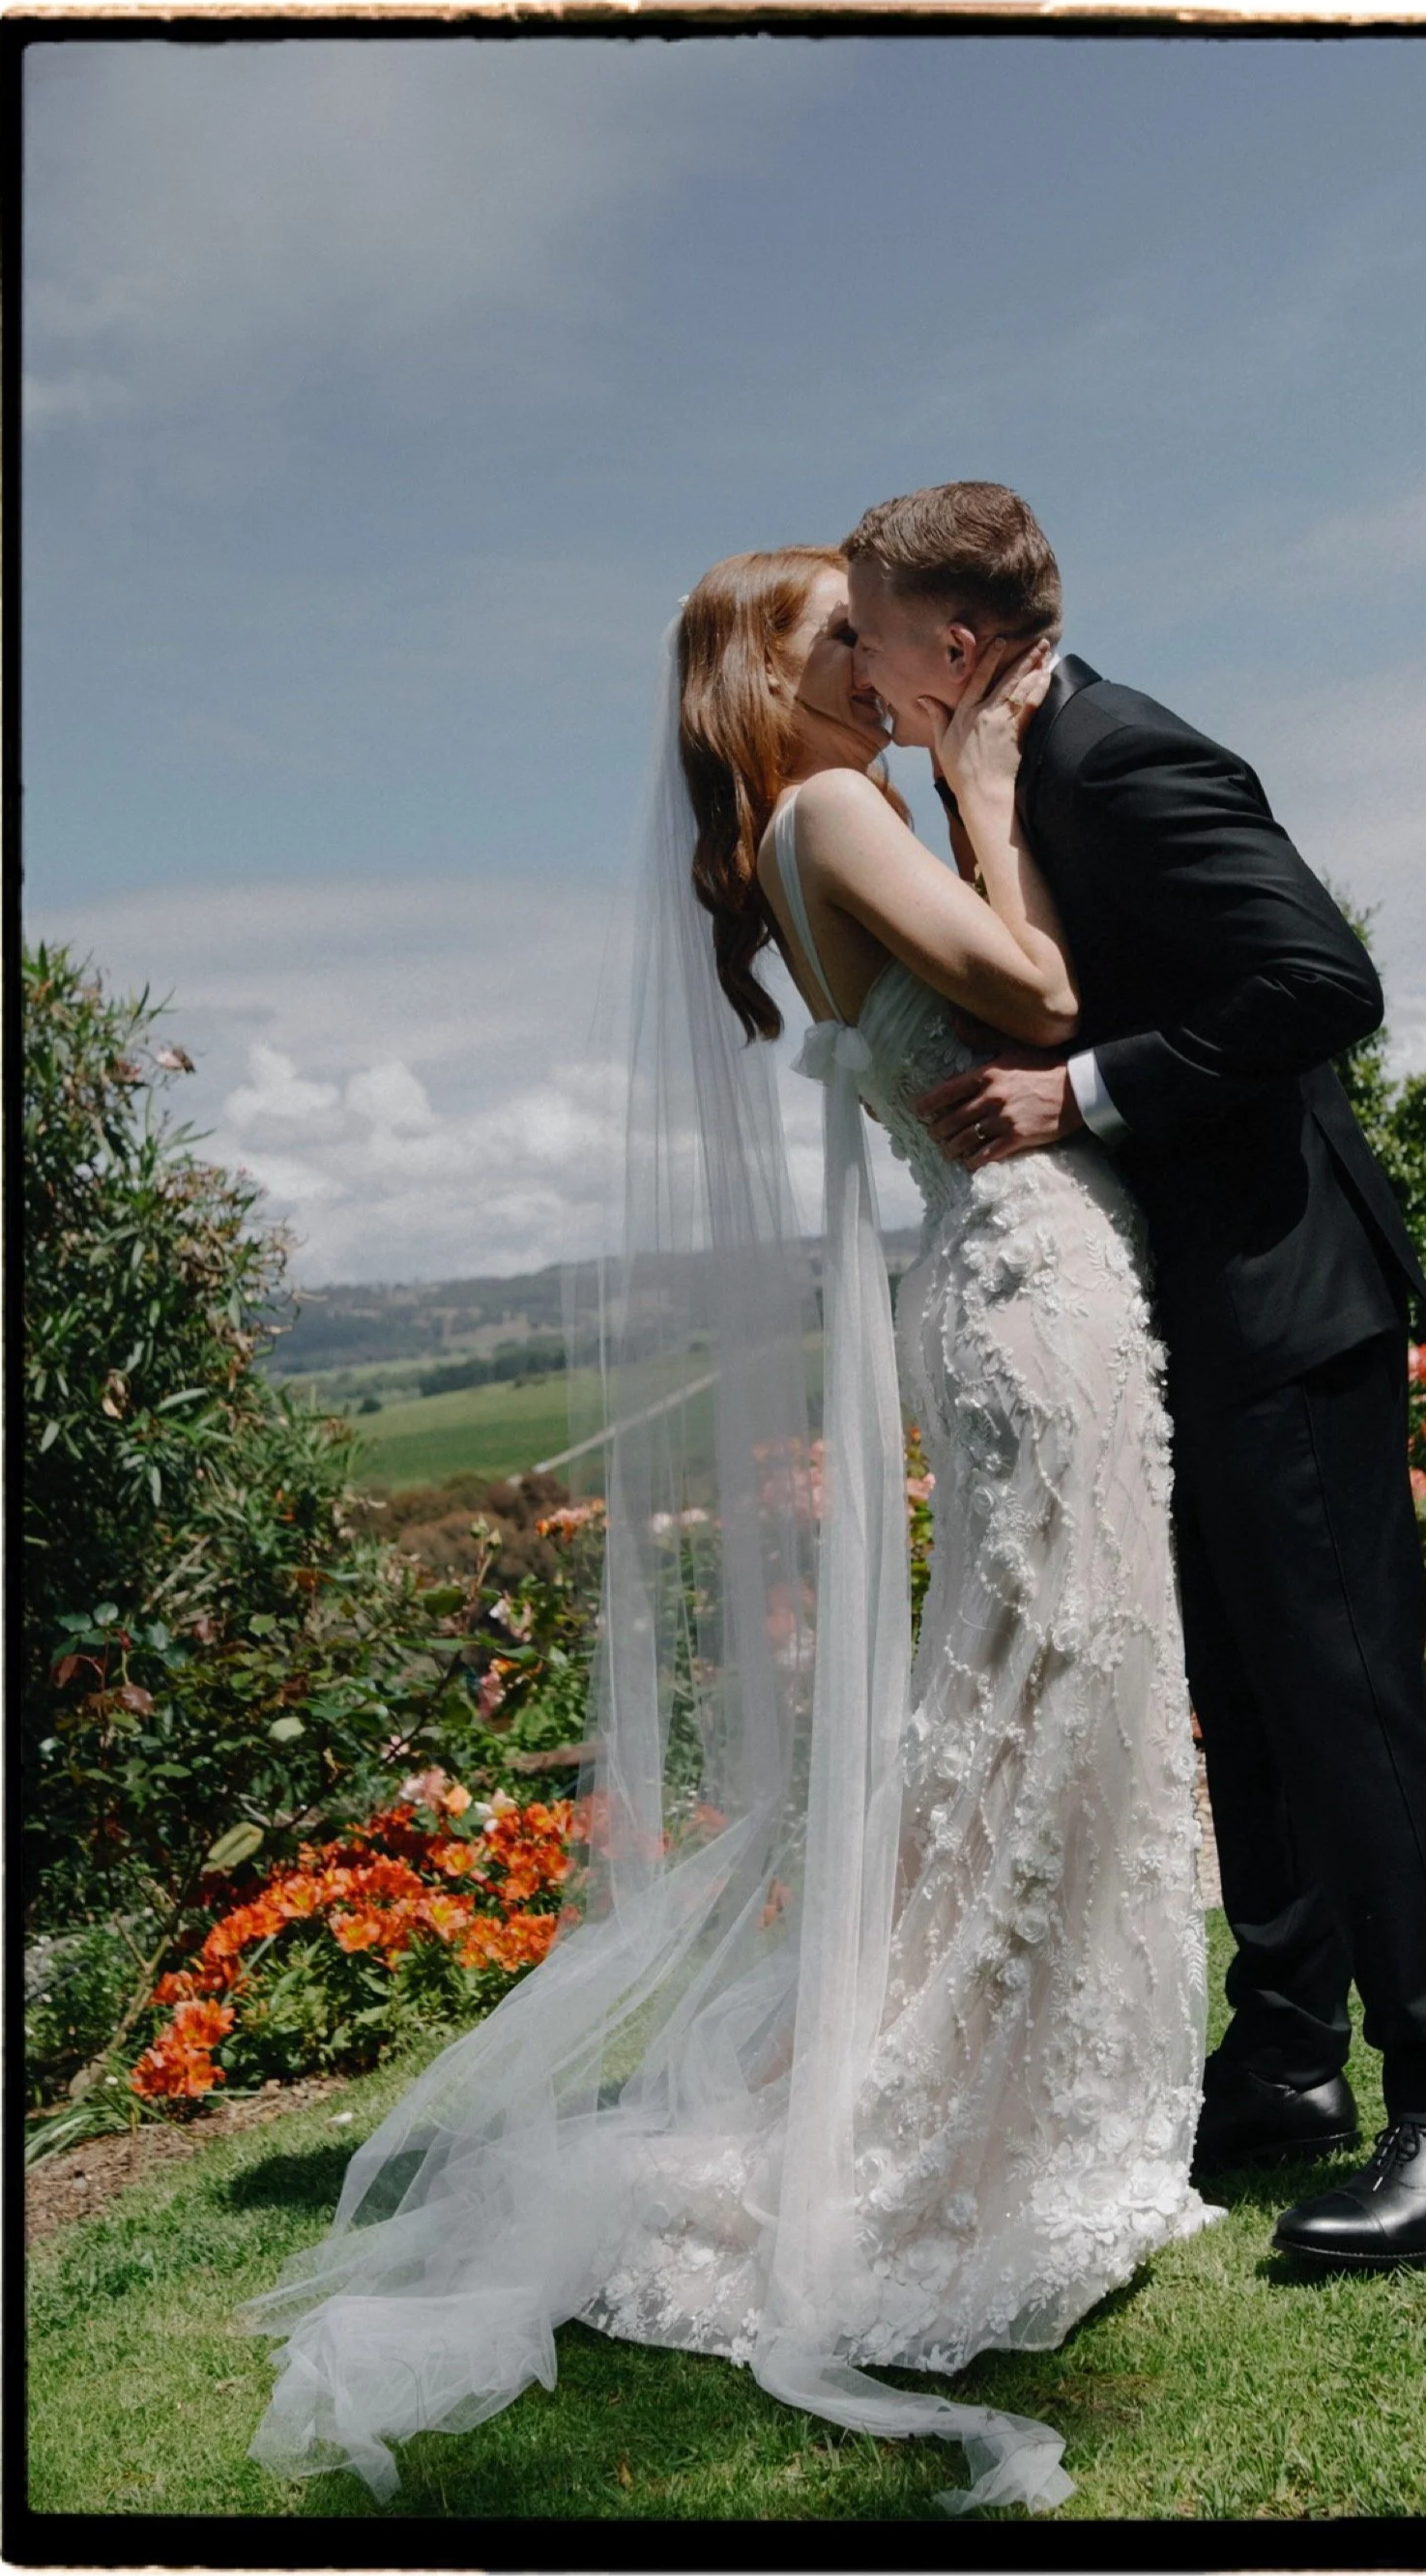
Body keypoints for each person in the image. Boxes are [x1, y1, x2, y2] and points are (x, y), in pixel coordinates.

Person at [242, 545, 1216, 2515]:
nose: (877, 655)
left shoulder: (790, 836)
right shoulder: (844, 808)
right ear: (790, 669)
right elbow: (1036, 990)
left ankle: (1030, 2102)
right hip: (1032, 1286)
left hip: (1016, 1287)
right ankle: (961, 2132)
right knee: (1048, 1709)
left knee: (1040, 1708)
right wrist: (996, 791)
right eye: (841, 631)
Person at [841, 481, 1426, 2269]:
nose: (849, 658)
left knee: (1347, 1699)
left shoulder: (1121, 759)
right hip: (1187, 1317)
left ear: (951, 642)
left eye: (865, 629)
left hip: (1285, 1302)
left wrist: (1076, 1096)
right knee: (1243, 1696)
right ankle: (1291, 2057)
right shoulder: (998, 771)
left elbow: (1323, 980)